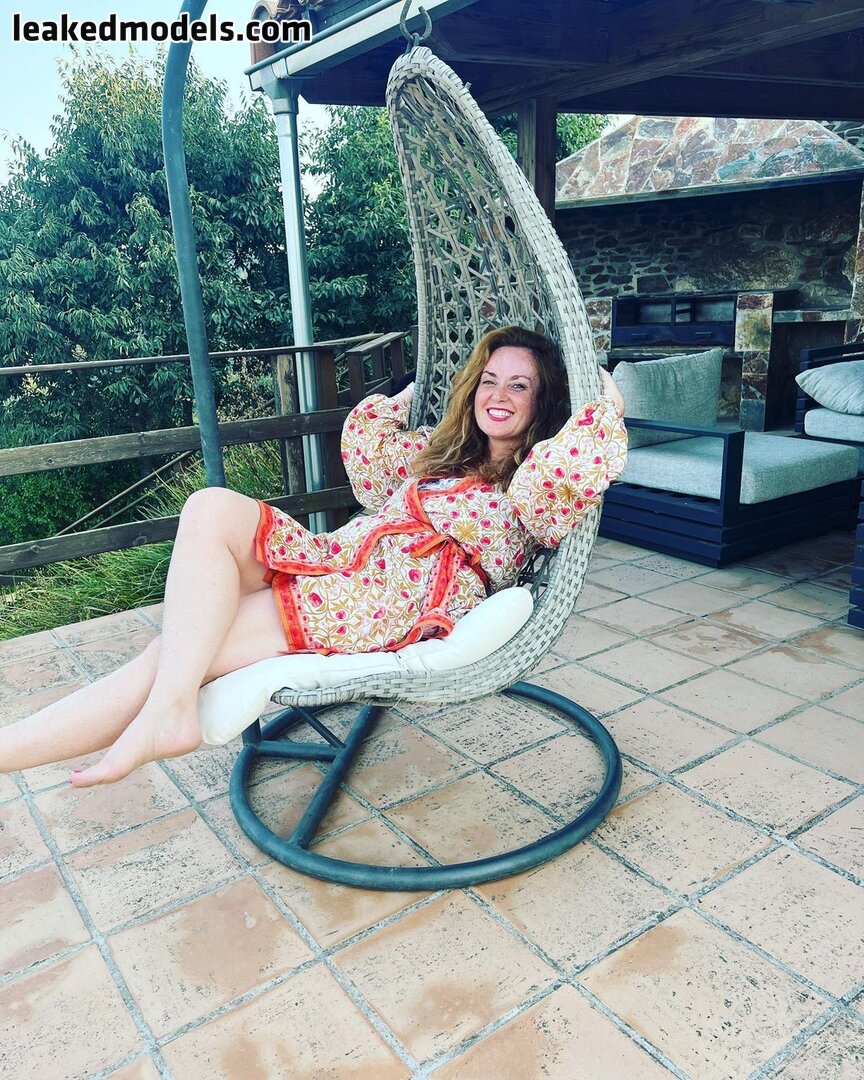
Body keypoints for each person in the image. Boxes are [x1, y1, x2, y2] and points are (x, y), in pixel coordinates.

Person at [0, 325, 626, 788]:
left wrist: (607, 411)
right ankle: (166, 708)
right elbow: (371, 454)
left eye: (519, 385)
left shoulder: (527, 485)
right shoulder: (444, 459)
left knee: (169, 656)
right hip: (340, 559)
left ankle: (52, 740)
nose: (499, 393)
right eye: (488, 379)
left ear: (542, 403)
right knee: (209, 508)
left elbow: (571, 470)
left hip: (384, 597)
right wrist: (410, 397)